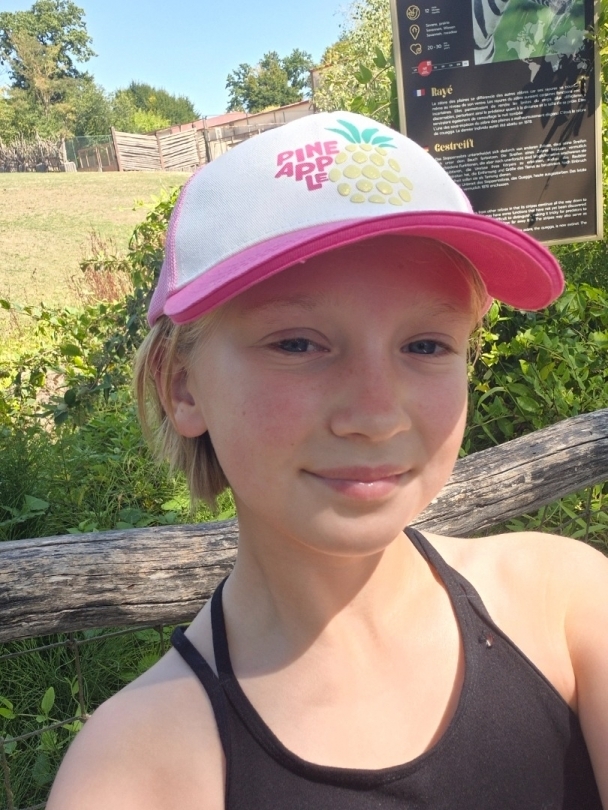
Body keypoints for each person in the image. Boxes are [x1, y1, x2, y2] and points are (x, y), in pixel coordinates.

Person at [48, 112, 607, 810]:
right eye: (297, 344)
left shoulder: (567, 604)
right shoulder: (137, 772)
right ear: (182, 386)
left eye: (426, 345)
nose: (376, 416)